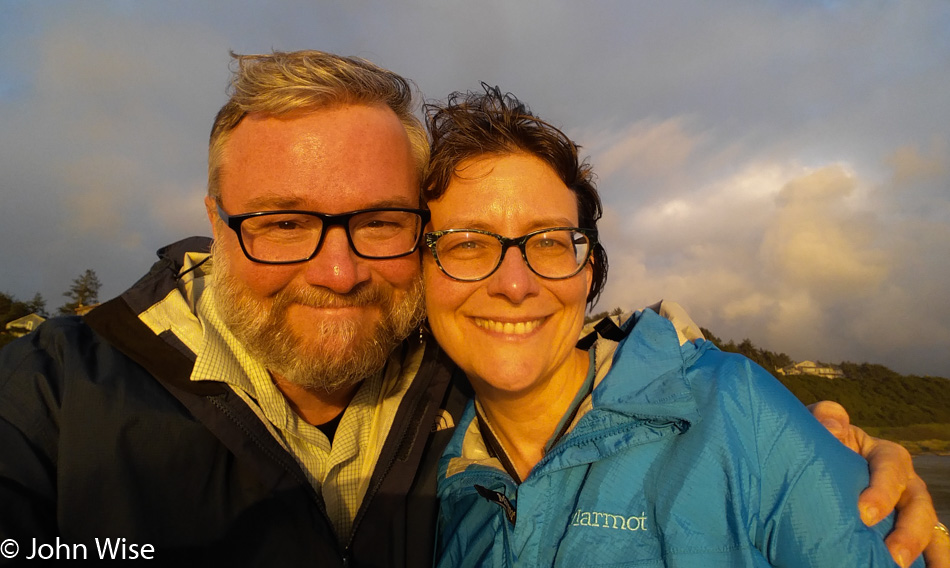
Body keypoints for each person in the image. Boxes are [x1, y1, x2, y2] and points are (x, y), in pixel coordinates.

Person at [0, 51, 942, 567]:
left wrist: (828, 450)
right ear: (216, 218)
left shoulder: (457, 382)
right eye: (284, 222)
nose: (334, 270)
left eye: (376, 222)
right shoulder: (47, 404)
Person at [421, 86, 949, 566]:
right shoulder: (436, 475)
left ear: (589, 273)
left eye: (550, 243)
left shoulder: (737, 416)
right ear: (417, 274)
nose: (515, 285)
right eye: (468, 244)